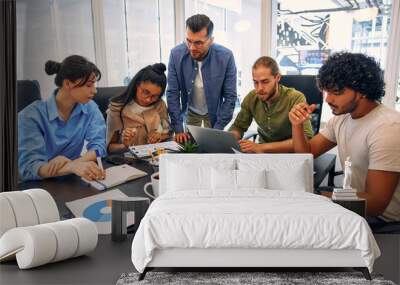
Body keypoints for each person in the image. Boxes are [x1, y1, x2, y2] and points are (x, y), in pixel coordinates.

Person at [289, 52, 400, 222]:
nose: (328, 99)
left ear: (362, 90)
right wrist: (297, 125)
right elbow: (307, 154)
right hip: (359, 206)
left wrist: (318, 195)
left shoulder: (387, 128)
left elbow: (377, 203)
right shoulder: (341, 118)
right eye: (326, 91)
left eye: (337, 92)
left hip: (383, 221)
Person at [18, 55, 106, 182]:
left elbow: (99, 147)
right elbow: (29, 168)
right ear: (68, 83)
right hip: (38, 186)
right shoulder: (29, 117)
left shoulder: (90, 108)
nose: (95, 91)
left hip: (71, 180)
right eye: (89, 85)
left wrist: (74, 164)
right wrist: (71, 167)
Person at [167, 14, 237, 143]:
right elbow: (172, 93)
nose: (192, 47)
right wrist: (178, 128)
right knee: (189, 149)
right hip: (190, 111)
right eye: (189, 40)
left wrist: (218, 128)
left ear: (211, 40)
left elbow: (230, 97)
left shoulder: (226, 57)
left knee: (214, 148)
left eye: (198, 43)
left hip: (215, 113)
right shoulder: (175, 54)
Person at [229, 56, 313, 153]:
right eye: (256, 82)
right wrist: (230, 139)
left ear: (277, 78)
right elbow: (238, 127)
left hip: (289, 155)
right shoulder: (252, 97)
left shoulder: (295, 98)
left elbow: (306, 139)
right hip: (262, 154)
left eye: (265, 82)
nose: (259, 88)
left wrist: (261, 147)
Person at [106, 63, 170, 153]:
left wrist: (160, 136)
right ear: (137, 84)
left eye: (155, 96)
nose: (148, 99)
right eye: (146, 92)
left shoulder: (160, 105)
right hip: (127, 160)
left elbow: (167, 134)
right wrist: (124, 145)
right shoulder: (117, 108)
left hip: (153, 157)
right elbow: (109, 148)